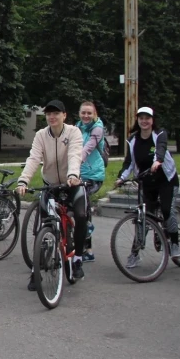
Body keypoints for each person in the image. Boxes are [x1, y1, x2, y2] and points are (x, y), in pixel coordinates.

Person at [17, 100, 85, 290]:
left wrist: (73, 175)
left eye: (56, 113)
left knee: (80, 216)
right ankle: (36, 270)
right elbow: (33, 158)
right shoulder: (41, 135)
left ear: (64, 115)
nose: (52, 117)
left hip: (72, 183)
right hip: (50, 185)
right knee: (45, 225)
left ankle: (78, 259)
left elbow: (74, 154)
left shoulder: (73, 132)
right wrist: (24, 180)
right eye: (48, 114)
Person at [115, 107, 180, 267]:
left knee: (167, 210)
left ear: (153, 120)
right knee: (143, 217)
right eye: (141, 118)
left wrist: (158, 161)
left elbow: (161, 148)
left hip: (166, 179)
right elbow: (129, 163)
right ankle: (135, 253)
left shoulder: (159, 135)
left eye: (148, 118)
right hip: (146, 182)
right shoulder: (132, 140)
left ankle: (174, 242)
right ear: (137, 120)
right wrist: (121, 178)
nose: (144, 121)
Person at [76, 101, 107, 262]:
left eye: (89, 113)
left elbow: (89, 147)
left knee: (83, 205)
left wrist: (77, 159)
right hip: (78, 174)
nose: (86, 116)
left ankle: (85, 232)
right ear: (79, 114)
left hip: (94, 175)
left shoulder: (97, 128)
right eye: (83, 113)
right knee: (80, 211)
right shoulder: (77, 128)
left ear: (94, 114)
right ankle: (87, 250)